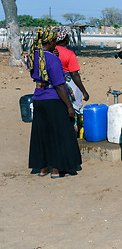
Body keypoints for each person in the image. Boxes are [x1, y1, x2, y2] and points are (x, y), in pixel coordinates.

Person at [27, 27, 82, 178]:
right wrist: (69, 106)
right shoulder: (53, 59)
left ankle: (43, 168)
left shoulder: (33, 56)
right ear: (50, 42)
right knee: (59, 134)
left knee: (42, 134)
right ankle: (56, 169)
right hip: (54, 100)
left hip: (38, 98)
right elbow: (59, 85)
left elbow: (36, 73)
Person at [54, 26, 89, 113]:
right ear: (65, 39)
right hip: (67, 83)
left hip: (52, 83)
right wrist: (84, 91)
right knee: (75, 105)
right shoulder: (69, 54)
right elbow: (74, 74)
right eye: (68, 37)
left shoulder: (50, 52)